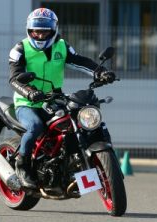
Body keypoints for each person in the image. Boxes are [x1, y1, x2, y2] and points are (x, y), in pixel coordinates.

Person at [8, 8, 115, 188]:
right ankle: (22, 165)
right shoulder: (19, 49)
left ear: (53, 29)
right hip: (27, 102)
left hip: (54, 97)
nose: (40, 35)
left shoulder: (62, 46)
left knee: (75, 121)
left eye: (44, 31)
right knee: (34, 127)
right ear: (29, 30)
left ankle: (71, 167)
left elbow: (79, 61)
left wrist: (100, 72)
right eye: (36, 31)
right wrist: (29, 92)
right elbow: (14, 78)